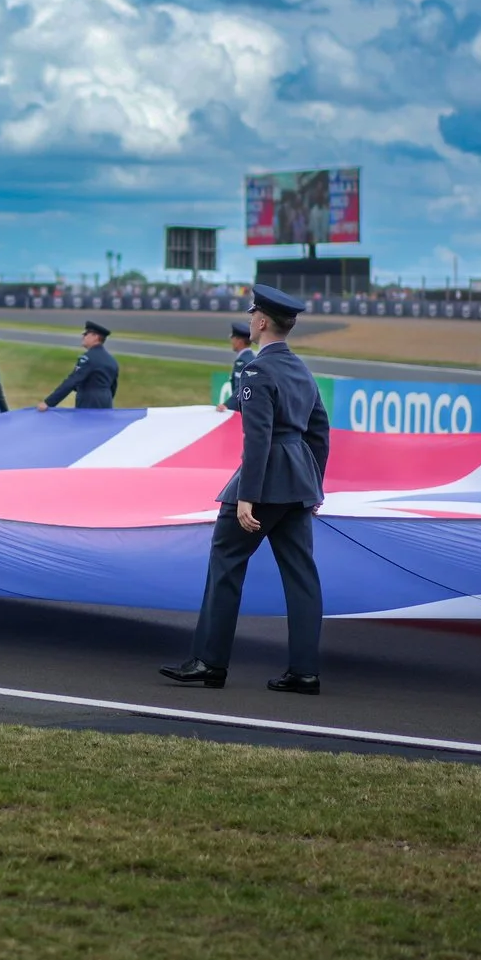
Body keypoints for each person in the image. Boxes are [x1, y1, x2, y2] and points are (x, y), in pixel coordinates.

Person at [163, 285, 330, 694]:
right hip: (298, 484)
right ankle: (304, 671)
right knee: (302, 576)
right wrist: (314, 487)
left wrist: (247, 497)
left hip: (264, 481)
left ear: (260, 322)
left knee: (226, 563)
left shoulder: (257, 370)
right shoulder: (301, 370)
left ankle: (209, 661)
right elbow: (319, 431)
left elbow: (257, 439)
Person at [41, 322, 120, 410]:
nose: (83, 337)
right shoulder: (112, 360)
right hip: (106, 405)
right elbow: (112, 388)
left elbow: (72, 381)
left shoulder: (88, 358)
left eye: (86, 334)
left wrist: (49, 403)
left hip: (88, 404)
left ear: (95, 337)